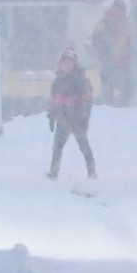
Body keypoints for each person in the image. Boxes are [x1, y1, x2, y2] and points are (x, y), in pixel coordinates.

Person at [46, 46, 96, 180]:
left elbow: (88, 101)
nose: (66, 66)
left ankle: (92, 172)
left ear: (75, 64)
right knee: (57, 148)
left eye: (70, 63)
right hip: (63, 120)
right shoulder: (57, 82)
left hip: (77, 121)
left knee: (84, 147)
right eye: (64, 63)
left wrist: (83, 117)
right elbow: (54, 102)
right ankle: (53, 173)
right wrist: (52, 116)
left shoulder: (81, 81)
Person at [90, 0, 132, 106]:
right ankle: (122, 113)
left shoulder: (103, 21)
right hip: (122, 63)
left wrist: (103, 54)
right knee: (125, 92)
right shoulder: (124, 22)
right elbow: (130, 42)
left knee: (107, 94)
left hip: (106, 63)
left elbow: (95, 40)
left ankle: (109, 114)